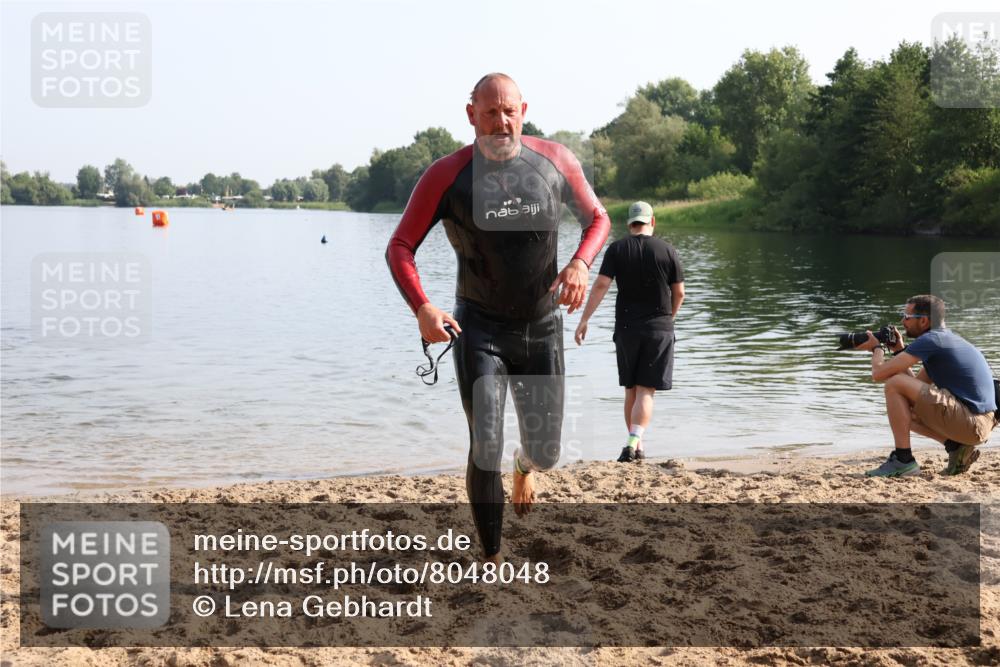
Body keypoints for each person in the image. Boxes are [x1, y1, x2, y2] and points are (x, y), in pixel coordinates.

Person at [385, 73, 610, 560]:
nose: (501, 122)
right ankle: (491, 556)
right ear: (472, 115)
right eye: (490, 112)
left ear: (523, 111)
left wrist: (580, 263)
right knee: (485, 443)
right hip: (479, 329)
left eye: (509, 111)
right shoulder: (447, 175)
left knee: (546, 453)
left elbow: (598, 218)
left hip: (541, 329)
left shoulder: (555, 160)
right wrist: (422, 306)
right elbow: (400, 245)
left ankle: (524, 467)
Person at [574, 201, 685, 463]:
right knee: (646, 390)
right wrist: (669, 318)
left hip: (626, 328)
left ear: (629, 224)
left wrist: (584, 319)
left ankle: (636, 445)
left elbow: (601, 285)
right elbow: (679, 292)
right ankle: (633, 442)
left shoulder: (617, 249)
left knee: (631, 389)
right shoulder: (668, 250)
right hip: (659, 328)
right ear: (652, 221)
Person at [860, 294, 997, 477]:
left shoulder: (931, 340)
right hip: (979, 423)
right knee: (904, 405)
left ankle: (903, 460)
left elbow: (878, 374)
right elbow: (915, 388)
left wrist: (876, 348)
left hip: (972, 423)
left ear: (924, 321)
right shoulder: (945, 340)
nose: (902, 321)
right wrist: (899, 350)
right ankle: (955, 446)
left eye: (907, 317)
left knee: (893, 383)